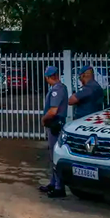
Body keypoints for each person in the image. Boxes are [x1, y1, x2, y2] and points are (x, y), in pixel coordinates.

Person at [40, 65, 68, 198]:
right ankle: (53, 182)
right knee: (52, 155)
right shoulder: (58, 88)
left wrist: (43, 119)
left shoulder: (57, 90)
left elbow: (53, 111)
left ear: (48, 77)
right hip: (55, 124)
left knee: (55, 155)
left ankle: (59, 187)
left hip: (55, 125)